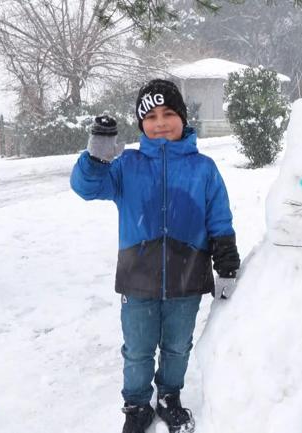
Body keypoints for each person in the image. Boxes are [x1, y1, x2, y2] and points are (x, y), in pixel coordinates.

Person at [70, 79, 240, 433]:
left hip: (187, 277)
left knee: (177, 346)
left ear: (183, 117)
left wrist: (226, 265)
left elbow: (219, 219)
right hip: (137, 278)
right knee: (137, 349)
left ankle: (169, 396)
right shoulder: (126, 165)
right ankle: (136, 406)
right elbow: (87, 187)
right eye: (150, 117)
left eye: (168, 114)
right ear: (141, 123)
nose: (160, 123)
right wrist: (97, 156)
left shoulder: (203, 168)